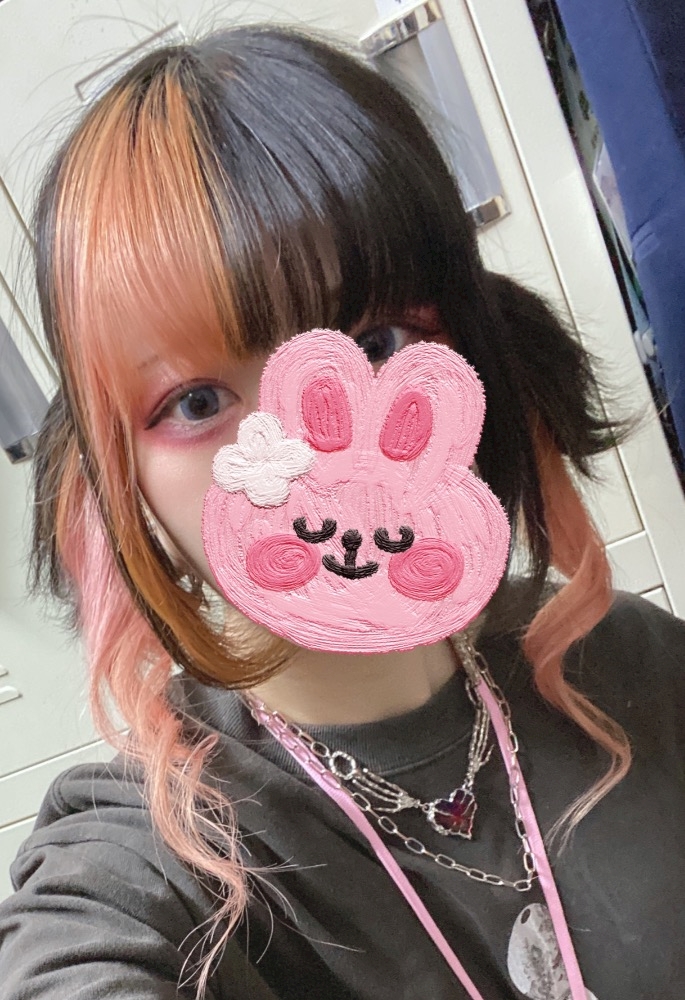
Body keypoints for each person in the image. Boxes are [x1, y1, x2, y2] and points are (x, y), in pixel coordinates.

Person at [0, 23, 684, 1000]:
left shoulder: (630, 658)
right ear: (121, 481)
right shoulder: (142, 854)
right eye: (197, 401)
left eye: (373, 343)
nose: (307, 454)